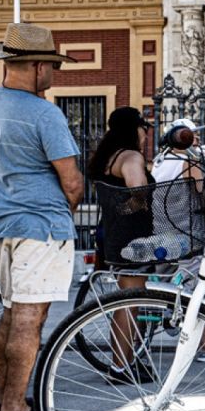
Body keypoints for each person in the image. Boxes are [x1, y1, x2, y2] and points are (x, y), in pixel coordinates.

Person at [0, 23, 82, 411]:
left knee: (12, 312)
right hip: (40, 225)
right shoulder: (44, 112)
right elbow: (71, 181)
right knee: (31, 317)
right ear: (35, 66)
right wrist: (63, 211)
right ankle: (15, 406)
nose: (53, 74)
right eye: (51, 65)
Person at [151, 117, 205, 363]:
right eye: (192, 134)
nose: (197, 138)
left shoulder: (159, 160)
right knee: (200, 285)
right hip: (186, 231)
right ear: (180, 137)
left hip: (162, 229)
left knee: (174, 280)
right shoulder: (188, 159)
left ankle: (171, 312)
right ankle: (204, 346)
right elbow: (201, 189)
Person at [85, 106, 158, 384]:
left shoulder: (107, 158)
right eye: (142, 128)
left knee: (126, 301)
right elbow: (139, 194)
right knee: (130, 302)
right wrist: (131, 209)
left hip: (114, 235)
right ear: (134, 129)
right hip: (133, 238)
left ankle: (124, 361)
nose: (144, 134)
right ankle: (120, 366)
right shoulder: (130, 157)